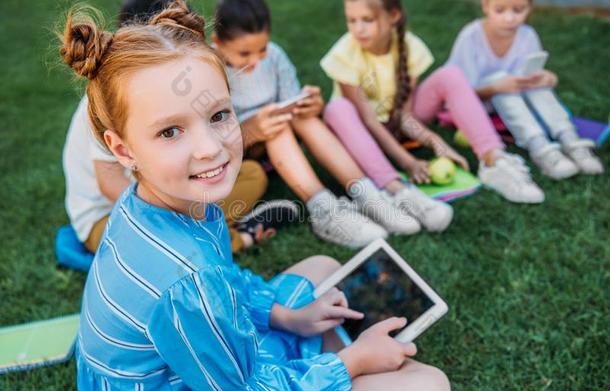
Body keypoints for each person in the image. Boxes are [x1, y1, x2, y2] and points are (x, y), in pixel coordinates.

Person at [62, 1, 451, 391]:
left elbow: (225, 282)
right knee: (428, 388)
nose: (210, 148)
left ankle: (329, 351)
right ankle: (344, 361)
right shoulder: (188, 282)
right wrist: (352, 362)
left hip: (191, 364)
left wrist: (287, 318)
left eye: (218, 116)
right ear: (122, 151)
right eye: (170, 132)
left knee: (324, 269)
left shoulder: (160, 200)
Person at [61, 0, 297, 254]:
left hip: (168, 184)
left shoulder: (180, 81)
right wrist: (173, 213)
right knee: (167, 246)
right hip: (114, 216)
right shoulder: (107, 104)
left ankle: (206, 227)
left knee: (252, 175)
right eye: (168, 132)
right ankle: (239, 238)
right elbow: (109, 184)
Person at [213, 0, 445, 246]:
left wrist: (311, 105)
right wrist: (252, 128)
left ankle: (367, 195)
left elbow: (290, 101)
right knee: (276, 127)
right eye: (244, 54)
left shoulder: (275, 55)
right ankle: (325, 211)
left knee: (300, 116)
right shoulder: (211, 70)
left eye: (262, 50)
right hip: (239, 152)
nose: (256, 60)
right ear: (218, 43)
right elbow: (213, 138)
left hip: (279, 142)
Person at [321, 0, 546, 205]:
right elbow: (370, 122)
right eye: (352, 20)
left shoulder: (408, 46)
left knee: (450, 74)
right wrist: (408, 163)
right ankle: (391, 188)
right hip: (362, 133)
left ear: (393, 16)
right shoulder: (345, 54)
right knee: (337, 109)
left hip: (399, 125)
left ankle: (493, 159)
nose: (357, 29)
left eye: (367, 20)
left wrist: (438, 144)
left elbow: (405, 118)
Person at [446, 0, 603, 178]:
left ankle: (570, 140)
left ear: (529, 9)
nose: (509, 18)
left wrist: (547, 78)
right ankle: (540, 148)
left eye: (518, 10)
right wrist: (497, 87)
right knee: (501, 80)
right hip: (481, 103)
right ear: (485, 6)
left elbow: (529, 72)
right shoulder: (471, 36)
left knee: (536, 86)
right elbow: (460, 92)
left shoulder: (528, 35)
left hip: (517, 97)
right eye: (500, 10)